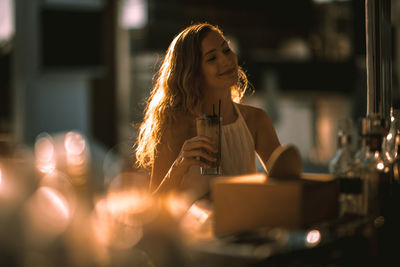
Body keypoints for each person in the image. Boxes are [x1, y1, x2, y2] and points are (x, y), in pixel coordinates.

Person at [135, 23, 281, 198]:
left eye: (226, 50)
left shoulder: (255, 120)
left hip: (244, 223)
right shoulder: (175, 126)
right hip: (196, 224)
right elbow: (154, 209)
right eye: (212, 58)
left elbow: (285, 183)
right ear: (193, 73)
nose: (225, 61)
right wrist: (180, 165)